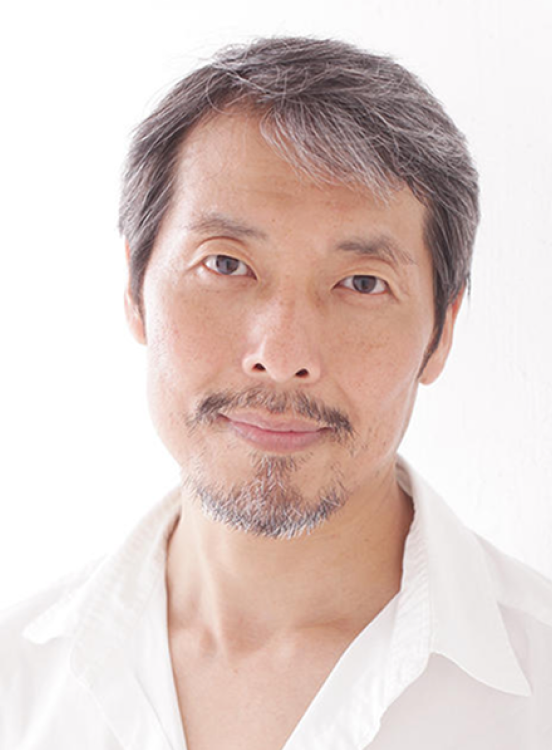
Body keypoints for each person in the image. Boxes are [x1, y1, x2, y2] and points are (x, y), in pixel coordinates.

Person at [2, 36, 552, 750]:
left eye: (362, 283)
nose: (282, 356)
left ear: (441, 332)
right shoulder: (18, 685)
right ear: (136, 293)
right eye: (225, 264)